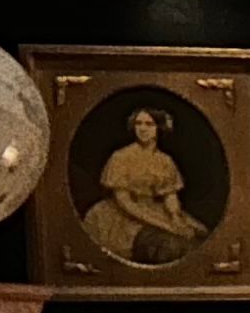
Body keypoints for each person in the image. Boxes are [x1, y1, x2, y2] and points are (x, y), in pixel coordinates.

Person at [80, 105, 207, 267]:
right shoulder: (121, 157)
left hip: (153, 208)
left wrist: (175, 218)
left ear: (159, 128)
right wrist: (165, 225)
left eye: (149, 124)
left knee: (196, 236)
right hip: (122, 216)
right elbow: (125, 202)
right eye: (138, 123)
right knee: (168, 244)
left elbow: (170, 195)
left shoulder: (165, 160)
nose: (142, 129)